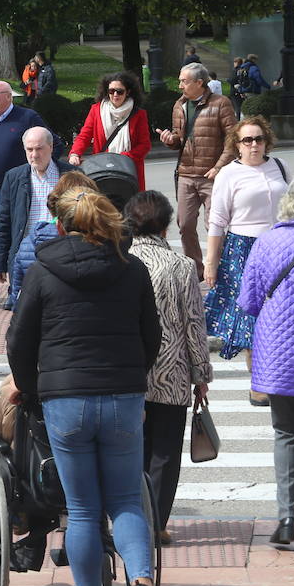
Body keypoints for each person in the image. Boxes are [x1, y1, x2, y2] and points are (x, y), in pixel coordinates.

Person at [5, 186, 167, 586]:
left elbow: (19, 339)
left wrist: (32, 387)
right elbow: (150, 334)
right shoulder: (132, 270)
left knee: (80, 509)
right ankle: (142, 583)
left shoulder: (42, 271)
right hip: (122, 394)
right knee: (126, 500)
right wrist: (134, 374)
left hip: (65, 398)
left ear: (63, 224)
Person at [123, 190, 212, 545]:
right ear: (165, 227)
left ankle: (130, 518)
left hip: (127, 372)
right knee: (165, 451)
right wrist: (201, 374)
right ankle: (154, 523)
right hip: (171, 372)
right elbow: (194, 324)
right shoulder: (180, 266)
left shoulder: (120, 260)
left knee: (132, 449)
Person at [238, 176, 294, 555]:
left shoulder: (268, 241)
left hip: (279, 350)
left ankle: (285, 519)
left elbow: (249, 301)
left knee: (285, 432)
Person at [204, 116, 288, 402]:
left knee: (281, 315)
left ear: (267, 141)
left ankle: (279, 377)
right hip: (243, 250)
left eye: (258, 139)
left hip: (280, 247)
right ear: (237, 145)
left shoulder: (279, 166)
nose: (253, 145)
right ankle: (259, 385)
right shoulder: (228, 173)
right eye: (247, 140)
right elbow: (217, 222)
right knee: (253, 318)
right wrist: (211, 263)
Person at [156, 62, 237, 270]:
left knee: (214, 226)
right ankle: (197, 269)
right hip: (185, 174)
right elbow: (179, 140)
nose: (180, 85)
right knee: (185, 225)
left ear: (199, 82)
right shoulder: (179, 105)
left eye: (184, 81)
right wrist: (170, 140)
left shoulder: (221, 103)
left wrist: (219, 167)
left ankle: (218, 268)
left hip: (212, 176)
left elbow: (233, 139)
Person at [0, 127, 77, 308]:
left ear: (51, 147)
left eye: (39, 149)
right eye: (29, 150)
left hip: (62, 253)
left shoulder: (71, 176)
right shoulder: (14, 177)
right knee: (24, 310)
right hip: (25, 255)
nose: (34, 155)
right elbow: (3, 222)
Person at [68, 71, 152, 190]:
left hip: (129, 171)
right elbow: (84, 136)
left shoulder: (139, 114)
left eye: (120, 91)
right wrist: (75, 153)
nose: (115, 95)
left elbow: (144, 145)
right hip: (102, 170)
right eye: (111, 91)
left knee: (129, 207)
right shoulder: (96, 110)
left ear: (128, 92)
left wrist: (123, 158)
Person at [0, 81, 53, 187]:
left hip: (18, 185)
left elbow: (53, 144)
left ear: (9, 96)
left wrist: (42, 171)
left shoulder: (27, 117)